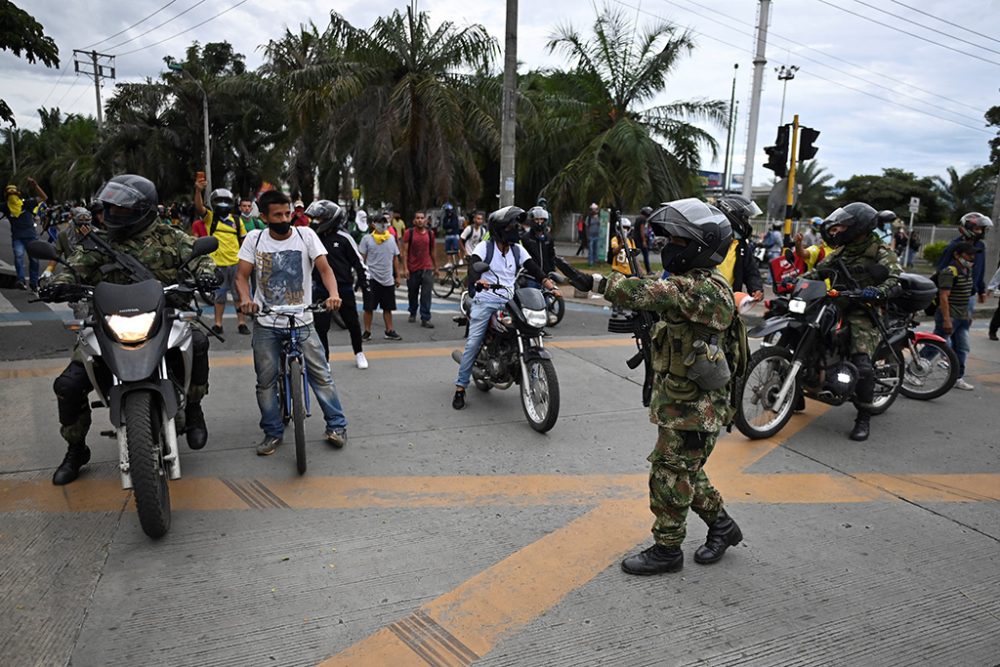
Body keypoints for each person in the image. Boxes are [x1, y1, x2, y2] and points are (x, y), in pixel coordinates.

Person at [601, 198, 744, 576]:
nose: (669, 248)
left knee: (668, 474)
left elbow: (651, 293)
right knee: (687, 472)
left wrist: (597, 282)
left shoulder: (705, 291)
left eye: (677, 242)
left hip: (698, 408)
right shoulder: (690, 284)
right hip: (684, 402)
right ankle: (723, 528)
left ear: (700, 246)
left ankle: (667, 549)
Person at [44, 174, 218, 484]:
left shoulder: (172, 237)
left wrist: (206, 274)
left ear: (144, 210)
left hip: (162, 319)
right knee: (68, 386)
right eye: (111, 209)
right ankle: (76, 448)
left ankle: (194, 407)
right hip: (108, 324)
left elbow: (201, 259)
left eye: (123, 210)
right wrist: (58, 285)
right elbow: (73, 267)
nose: (114, 215)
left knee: (199, 343)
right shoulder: (98, 243)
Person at [234, 190, 350, 456]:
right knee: (265, 381)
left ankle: (337, 426)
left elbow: (325, 269)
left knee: (321, 375)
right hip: (266, 321)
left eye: (287, 213)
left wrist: (334, 295)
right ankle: (272, 432)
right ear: (263, 217)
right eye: (277, 215)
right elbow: (241, 276)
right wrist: (246, 300)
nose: (285, 219)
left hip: (302, 320)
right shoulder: (255, 238)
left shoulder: (305, 235)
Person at [805, 203, 900, 441]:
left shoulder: (880, 251)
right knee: (808, 336)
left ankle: (863, 418)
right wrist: (794, 282)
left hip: (863, 310)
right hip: (837, 305)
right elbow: (819, 271)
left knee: (863, 364)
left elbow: (895, 278)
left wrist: (878, 291)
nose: (838, 229)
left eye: (844, 225)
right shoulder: (843, 251)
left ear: (858, 227)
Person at [452, 206, 559, 410]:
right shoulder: (486, 247)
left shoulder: (517, 249)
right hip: (486, 300)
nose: (516, 229)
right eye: (511, 225)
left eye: (516, 225)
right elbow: (473, 266)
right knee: (474, 342)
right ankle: (460, 387)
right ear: (501, 228)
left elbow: (532, 267)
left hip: (511, 299)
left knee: (531, 328)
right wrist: (477, 282)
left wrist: (548, 284)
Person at [305, 200, 370, 369]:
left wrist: (365, 284)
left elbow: (359, 263)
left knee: (353, 324)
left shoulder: (344, 238)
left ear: (330, 218)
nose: (317, 222)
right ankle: (325, 359)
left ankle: (359, 353)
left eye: (320, 218)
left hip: (343, 288)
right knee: (321, 327)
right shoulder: (315, 238)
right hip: (320, 288)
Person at [194, 179, 251, 336]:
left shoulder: (237, 221)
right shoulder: (210, 218)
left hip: (235, 263)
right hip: (217, 264)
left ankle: (242, 323)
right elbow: (199, 208)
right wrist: (198, 191)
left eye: (226, 201)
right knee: (219, 297)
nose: (223, 204)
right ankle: (218, 325)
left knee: (238, 295)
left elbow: (244, 242)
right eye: (220, 201)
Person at [937, 242, 979, 390]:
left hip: (962, 317)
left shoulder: (967, 271)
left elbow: (966, 296)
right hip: (950, 316)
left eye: (973, 255)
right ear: (957, 255)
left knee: (962, 348)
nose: (971, 258)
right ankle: (913, 371)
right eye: (968, 254)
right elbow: (944, 297)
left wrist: (968, 315)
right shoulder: (950, 271)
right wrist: (947, 319)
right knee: (935, 346)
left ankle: (957, 377)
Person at [359, 214, 404, 341]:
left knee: (388, 308)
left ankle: (389, 330)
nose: (382, 225)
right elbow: (362, 258)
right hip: (372, 278)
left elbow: (395, 258)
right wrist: (361, 277)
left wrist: (398, 276)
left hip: (387, 279)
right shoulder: (367, 239)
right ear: (373, 224)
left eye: (384, 222)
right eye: (379, 222)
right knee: (369, 308)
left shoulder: (391, 239)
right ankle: (367, 331)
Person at [936, 212, 992, 310]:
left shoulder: (980, 246)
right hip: (953, 295)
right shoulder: (954, 246)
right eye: (977, 229)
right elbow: (941, 269)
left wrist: (981, 290)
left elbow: (980, 269)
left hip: (970, 295)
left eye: (981, 229)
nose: (980, 232)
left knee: (965, 322)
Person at [715, 195, 764, 301]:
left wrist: (756, 288)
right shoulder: (711, 241)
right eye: (745, 218)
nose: (747, 222)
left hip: (730, 302)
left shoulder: (741, 245)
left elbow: (751, 271)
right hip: (706, 300)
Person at [1, 178, 47, 291]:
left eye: (14, 194)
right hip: (17, 239)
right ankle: (21, 281)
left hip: (31, 237)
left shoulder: (27, 204)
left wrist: (35, 185)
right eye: (9, 194)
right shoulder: (5, 207)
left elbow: (44, 198)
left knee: (34, 260)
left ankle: (34, 283)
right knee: (18, 258)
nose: (12, 197)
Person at [401, 211, 437, 328]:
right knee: (412, 292)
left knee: (426, 294)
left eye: (422, 218)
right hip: (413, 268)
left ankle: (425, 318)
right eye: (418, 218)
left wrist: (436, 267)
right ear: (414, 221)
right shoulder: (409, 233)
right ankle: (412, 311)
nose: (420, 220)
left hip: (426, 268)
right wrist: (405, 268)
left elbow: (432, 251)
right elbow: (405, 252)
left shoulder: (430, 234)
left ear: (425, 220)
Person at [521, 206, 557, 282]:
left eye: (541, 219)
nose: (539, 222)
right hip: (531, 277)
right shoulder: (525, 238)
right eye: (536, 219)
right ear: (532, 220)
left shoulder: (549, 238)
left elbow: (552, 257)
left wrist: (552, 273)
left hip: (546, 277)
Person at [633, 206, 653, 273]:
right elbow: (642, 230)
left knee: (635, 255)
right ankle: (648, 270)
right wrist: (644, 241)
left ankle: (636, 269)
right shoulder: (643, 219)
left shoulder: (638, 218)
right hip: (640, 239)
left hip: (636, 238)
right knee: (645, 255)